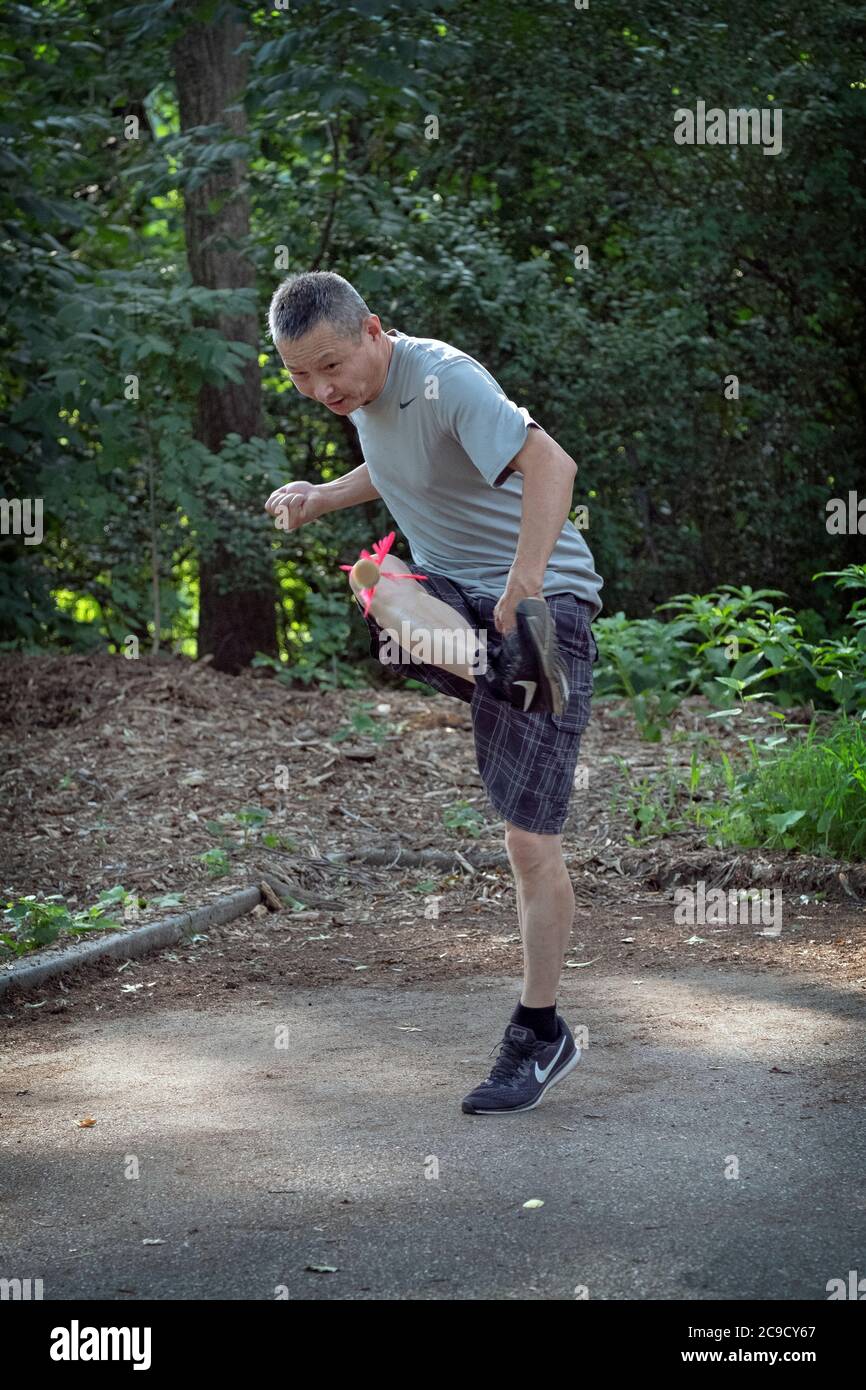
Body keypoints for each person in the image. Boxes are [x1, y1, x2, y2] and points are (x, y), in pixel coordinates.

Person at [264, 270, 603, 1116]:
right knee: (376, 575)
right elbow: (399, 471)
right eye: (299, 377)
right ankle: (503, 673)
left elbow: (551, 463)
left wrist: (523, 586)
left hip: (542, 608)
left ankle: (539, 1031)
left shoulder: (446, 378)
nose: (320, 390)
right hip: (471, 620)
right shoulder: (368, 403)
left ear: (375, 329)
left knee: (529, 844)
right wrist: (321, 496)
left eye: (330, 367)